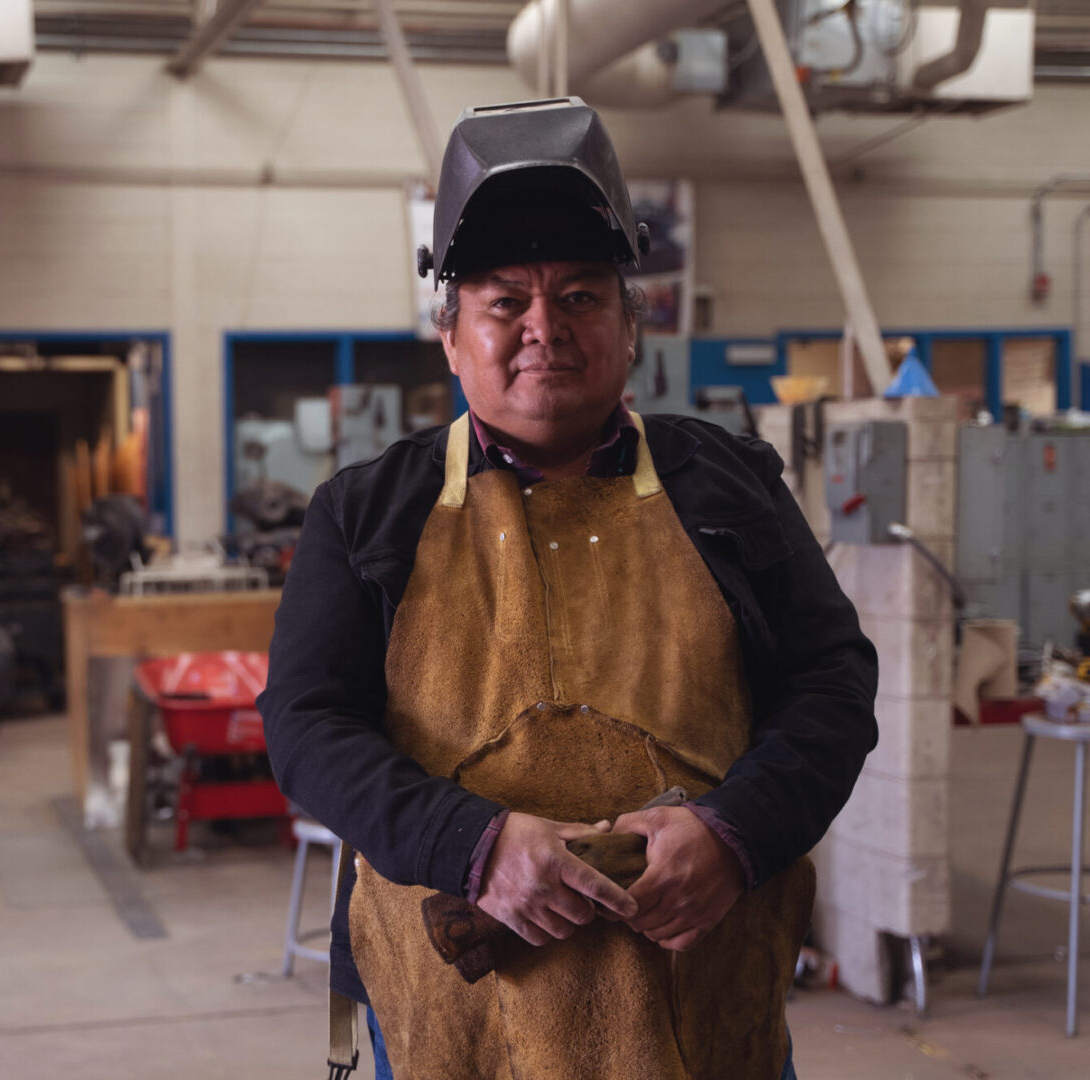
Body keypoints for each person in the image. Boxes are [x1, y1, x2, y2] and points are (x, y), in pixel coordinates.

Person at [258, 99, 878, 1080]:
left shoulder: (732, 485)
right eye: (506, 300)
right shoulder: (365, 513)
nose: (544, 327)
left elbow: (833, 685)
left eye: (582, 296)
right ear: (452, 335)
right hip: (451, 1017)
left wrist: (734, 833)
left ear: (632, 327)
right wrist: (473, 846)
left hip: (704, 1009)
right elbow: (305, 724)